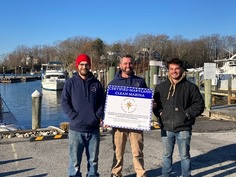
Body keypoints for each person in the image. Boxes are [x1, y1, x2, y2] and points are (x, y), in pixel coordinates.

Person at [153, 58, 204, 177]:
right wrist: (159, 112)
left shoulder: (191, 87)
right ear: (168, 70)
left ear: (181, 69)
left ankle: (186, 175)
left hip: (184, 127)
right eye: (171, 69)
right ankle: (166, 175)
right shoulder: (161, 87)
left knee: (185, 156)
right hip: (166, 127)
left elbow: (199, 104)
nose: (174, 71)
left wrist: (187, 114)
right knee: (166, 155)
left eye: (176, 68)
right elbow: (156, 105)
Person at [61, 54, 105, 177]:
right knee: (75, 162)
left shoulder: (97, 84)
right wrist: (74, 116)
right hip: (76, 130)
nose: (84, 66)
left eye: (86, 64)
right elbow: (64, 102)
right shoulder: (70, 83)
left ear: (90, 66)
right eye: (81, 64)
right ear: (77, 66)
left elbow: (102, 102)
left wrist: (96, 116)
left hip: (93, 129)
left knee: (93, 161)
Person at [108, 54, 147, 177]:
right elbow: (107, 103)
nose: (128, 66)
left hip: (136, 124)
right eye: (125, 63)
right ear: (120, 65)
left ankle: (140, 173)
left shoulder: (140, 82)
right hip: (119, 125)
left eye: (130, 63)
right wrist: (106, 118)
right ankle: (116, 173)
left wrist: (152, 104)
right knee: (118, 151)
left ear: (133, 64)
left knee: (137, 151)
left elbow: (146, 101)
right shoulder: (113, 83)